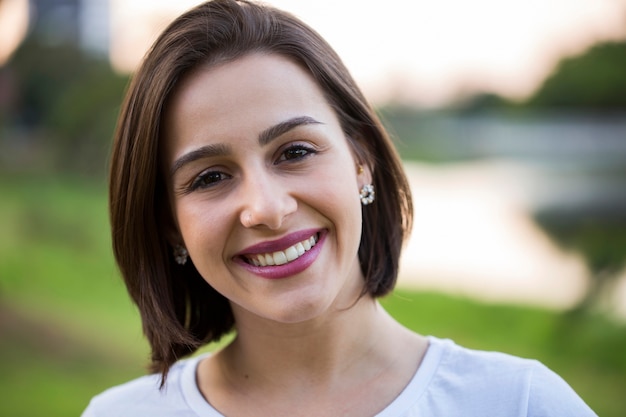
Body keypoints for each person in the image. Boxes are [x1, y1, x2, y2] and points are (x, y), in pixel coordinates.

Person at [82, 1, 597, 416]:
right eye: (210, 177)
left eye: (295, 152)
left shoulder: (520, 404)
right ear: (171, 225)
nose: (266, 208)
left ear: (360, 162)